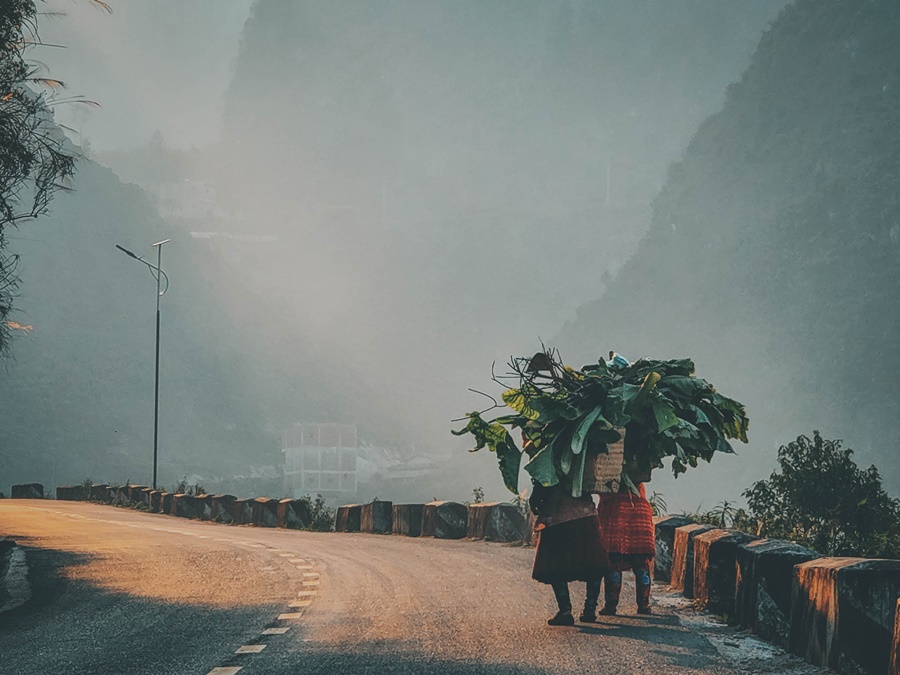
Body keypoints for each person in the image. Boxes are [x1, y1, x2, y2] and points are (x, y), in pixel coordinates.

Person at [528, 436, 609, 625]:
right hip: (586, 514)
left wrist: (536, 502)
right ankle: (590, 608)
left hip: (558, 516)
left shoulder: (550, 452)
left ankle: (565, 611)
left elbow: (542, 484)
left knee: (556, 566)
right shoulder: (586, 450)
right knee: (593, 564)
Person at [595, 480, 656, 615]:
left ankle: (611, 605)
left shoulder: (610, 474)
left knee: (614, 561)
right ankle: (643, 605)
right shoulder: (638, 479)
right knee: (641, 562)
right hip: (640, 511)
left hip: (614, 513)